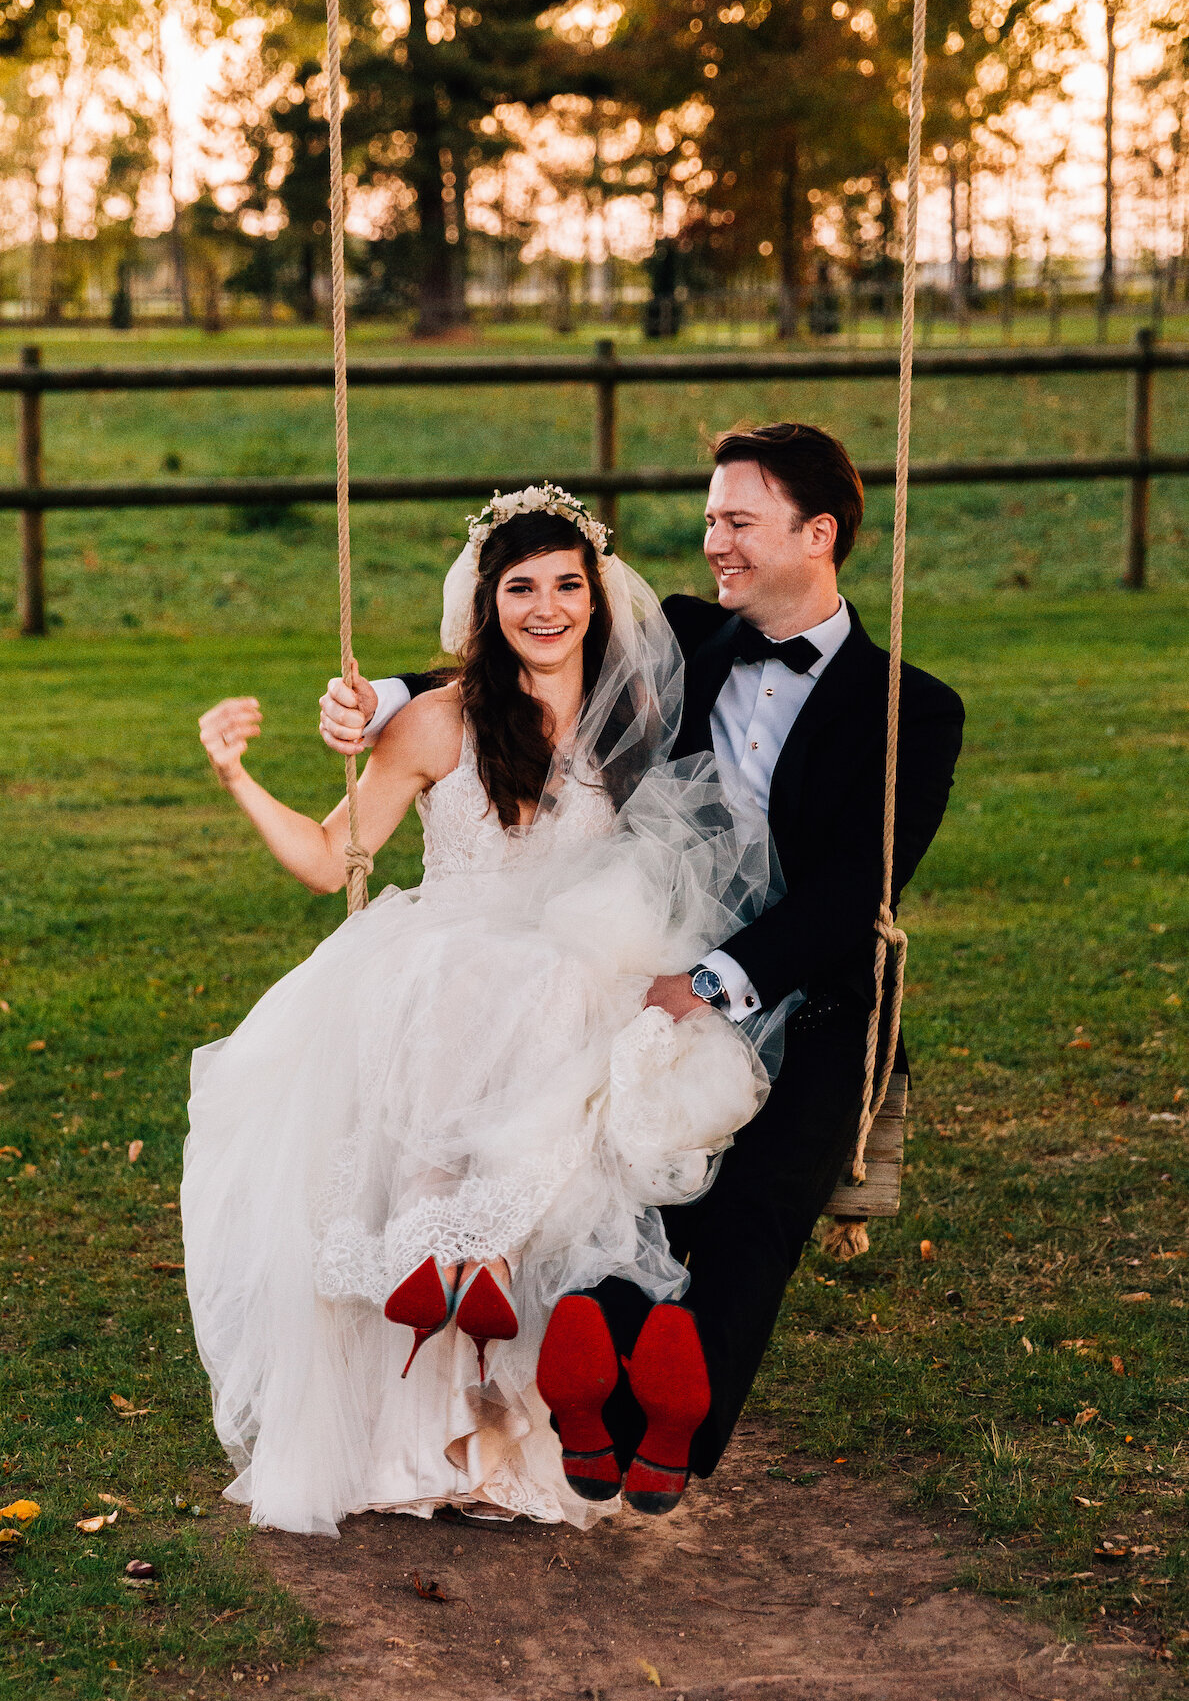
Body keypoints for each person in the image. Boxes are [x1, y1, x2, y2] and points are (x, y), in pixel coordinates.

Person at [319, 421, 966, 1513]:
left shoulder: (914, 710)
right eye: (710, 516)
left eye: (736, 521)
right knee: (630, 1162)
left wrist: (711, 981)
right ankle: (587, 1389)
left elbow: (852, 895)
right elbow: (531, 657)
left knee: (753, 1205)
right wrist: (383, 697)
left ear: (816, 534)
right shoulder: (690, 637)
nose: (711, 538)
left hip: (809, 997)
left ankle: (664, 1429)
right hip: (657, 954)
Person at [182, 487, 783, 1537]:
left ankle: (468, 1270)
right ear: (486, 605)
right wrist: (237, 774)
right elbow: (332, 860)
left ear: (597, 599)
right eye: (521, 588)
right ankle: (454, 1262)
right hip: (447, 969)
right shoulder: (434, 722)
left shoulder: (628, 718)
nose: (545, 606)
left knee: (551, 986)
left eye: (565, 585)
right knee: (461, 977)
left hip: (569, 975)